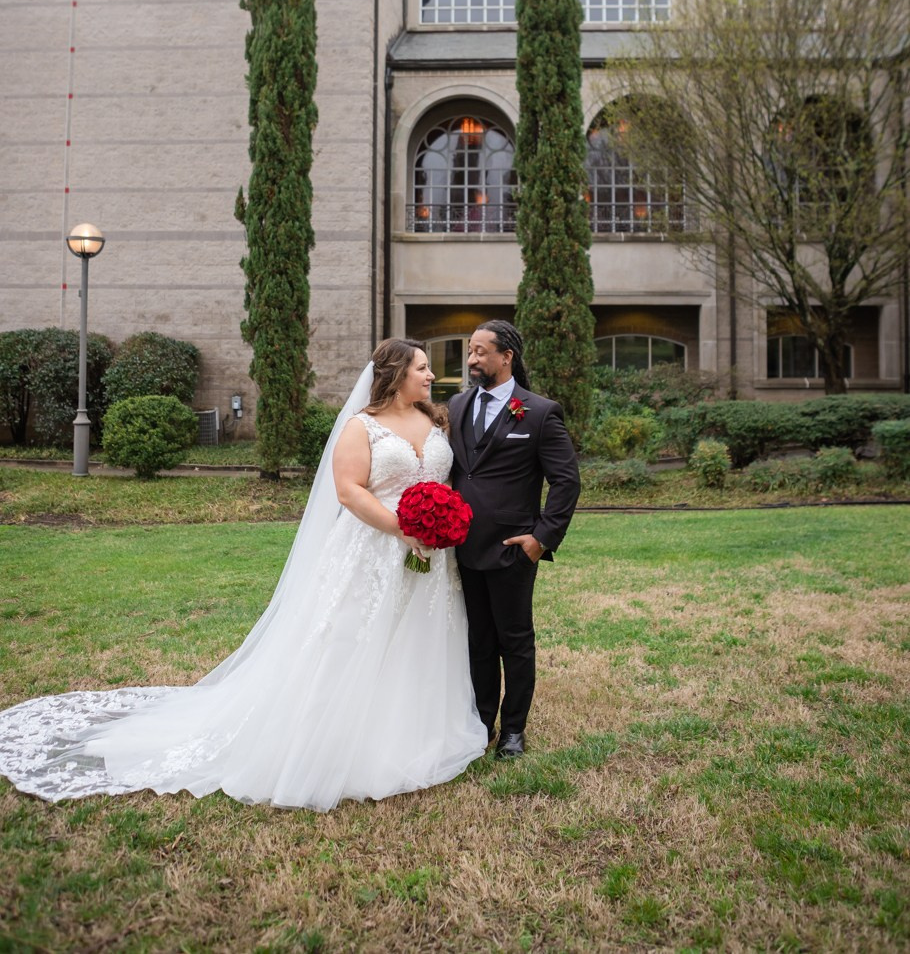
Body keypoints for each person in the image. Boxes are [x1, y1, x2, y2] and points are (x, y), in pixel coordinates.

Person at [0, 340, 487, 810]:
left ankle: (410, 732)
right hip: (373, 549)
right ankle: (335, 735)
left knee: (417, 638)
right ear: (396, 374)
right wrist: (403, 528)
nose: (430, 375)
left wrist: (437, 528)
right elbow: (349, 491)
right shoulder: (361, 426)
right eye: (422, 367)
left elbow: (443, 479)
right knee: (349, 636)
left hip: (432, 554)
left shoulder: (434, 418)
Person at [448, 320, 580, 759]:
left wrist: (541, 538)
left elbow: (566, 482)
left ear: (507, 357)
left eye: (481, 351)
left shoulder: (540, 412)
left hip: (512, 549)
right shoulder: (457, 405)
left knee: (515, 640)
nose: (472, 360)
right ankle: (482, 723)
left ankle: (513, 730)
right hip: (463, 546)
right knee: (478, 639)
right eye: (470, 351)